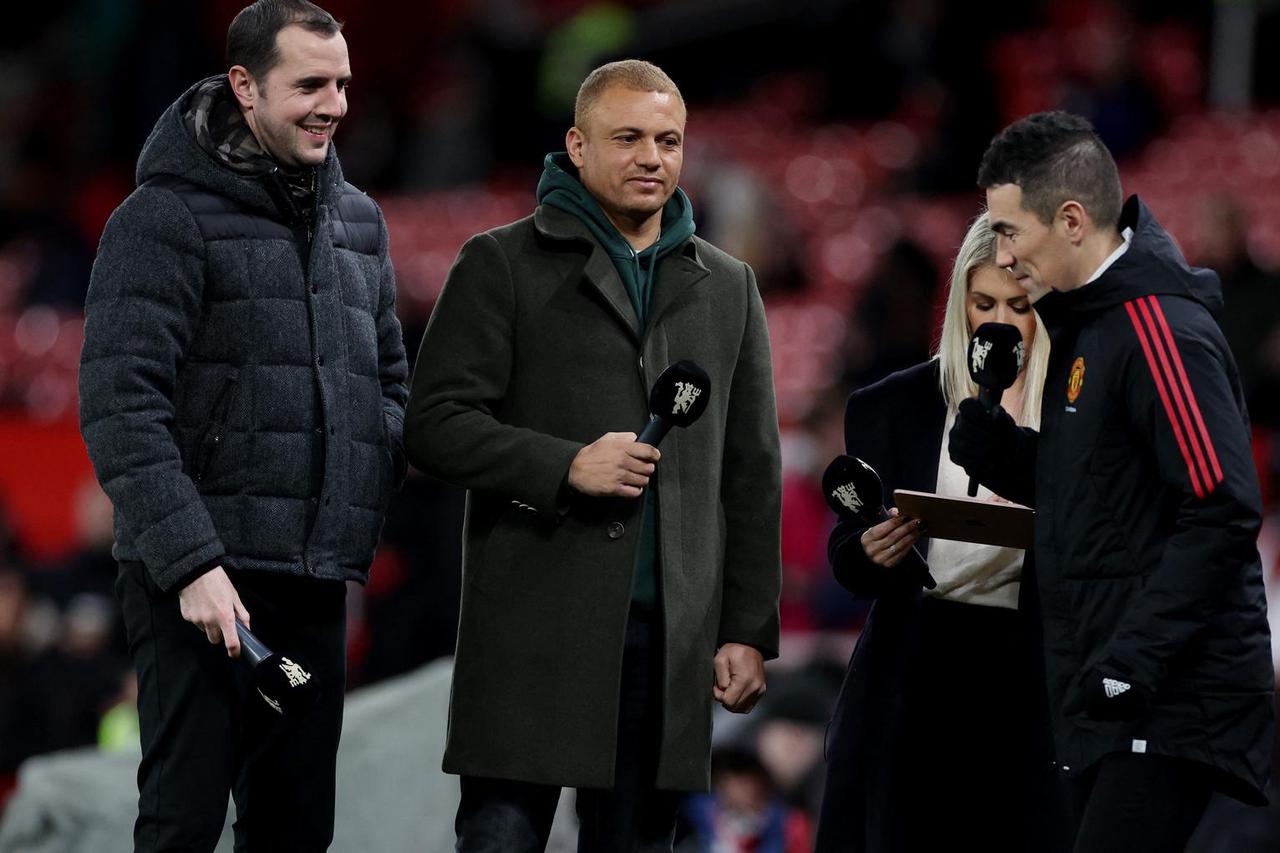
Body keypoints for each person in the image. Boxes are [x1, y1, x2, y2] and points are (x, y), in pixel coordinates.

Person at [404, 59, 782, 852]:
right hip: (532, 628)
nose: (652, 156)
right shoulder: (499, 262)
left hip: (668, 642)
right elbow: (432, 424)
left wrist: (747, 625)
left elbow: (750, 471)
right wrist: (563, 464)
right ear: (577, 145)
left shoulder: (728, 285)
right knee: (500, 838)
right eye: (629, 138)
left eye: (669, 140)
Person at [78, 1, 408, 849]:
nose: (332, 103)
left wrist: (351, 514)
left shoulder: (359, 223)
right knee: (183, 824)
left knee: (298, 831)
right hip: (197, 588)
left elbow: (387, 388)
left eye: (341, 83)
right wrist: (190, 562)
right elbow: (122, 404)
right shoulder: (159, 219)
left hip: (311, 581)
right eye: (308, 84)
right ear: (244, 86)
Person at [951, 111, 1273, 851]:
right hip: (1110, 686)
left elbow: (1222, 508)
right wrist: (1001, 454)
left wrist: (1133, 661)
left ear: (1070, 219)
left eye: (1007, 230)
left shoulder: (1160, 328)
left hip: (1168, 695)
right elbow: (1099, 498)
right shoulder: (1090, 325)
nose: (1001, 253)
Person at [815, 214, 1066, 852]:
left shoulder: (1078, 412)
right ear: (959, 305)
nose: (1001, 321)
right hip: (911, 680)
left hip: (1030, 682)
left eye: (1020, 304)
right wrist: (871, 551)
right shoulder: (889, 406)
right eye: (984, 303)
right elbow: (848, 550)